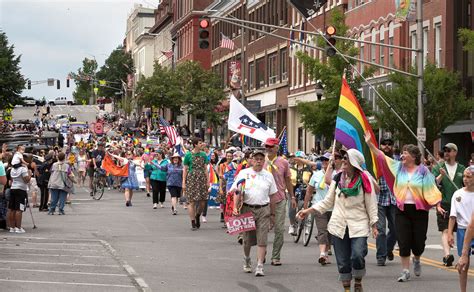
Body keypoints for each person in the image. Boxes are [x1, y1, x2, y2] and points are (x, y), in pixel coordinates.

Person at [297, 149, 378, 292]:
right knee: (343, 261)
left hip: (358, 223)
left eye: (347, 158)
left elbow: (371, 204)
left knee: (358, 255)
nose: (344, 160)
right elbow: (327, 202)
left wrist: (374, 225)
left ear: (355, 162)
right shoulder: (337, 179)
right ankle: (347, 289)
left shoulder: (364, 180)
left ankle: (358, 281)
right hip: (338, 225)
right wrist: (308, 210)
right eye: (343, 158)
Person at [365, 132, 441, 282]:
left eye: (405, 153)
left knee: (419, 242)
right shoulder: (398, 167)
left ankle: (417, 259)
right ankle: (405, 271)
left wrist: (437, 205)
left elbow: (431, 188)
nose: (402, 155)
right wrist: (370, 144)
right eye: (403, 152)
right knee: (404, 241)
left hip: (419, 211)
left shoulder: (423, 171)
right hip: (401, 210)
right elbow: (381, 156)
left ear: (414, 156)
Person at [230, 149, 277, 277]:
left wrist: (273, 214)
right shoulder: (244, 173)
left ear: (264, 161)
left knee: (262, 239)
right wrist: (235, 207)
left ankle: (260, 265)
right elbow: (237, 191)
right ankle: (246, 258)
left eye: (261, 159)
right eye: (256, 159)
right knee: (247, 239)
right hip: (247, 208)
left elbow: (272, 196)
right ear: (251, 160)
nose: (259, 161)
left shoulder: (268, 175)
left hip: (263, 209)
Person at [432, 143, 465, 266]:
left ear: (455, 152)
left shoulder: (462, 168)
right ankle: (447, 255)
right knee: (445, 230)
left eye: (449, 150)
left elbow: (467, 185)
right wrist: (441, 175)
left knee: (461, 230)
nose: (446, 152)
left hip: (459, 204)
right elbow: (433, 185)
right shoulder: (439, 168)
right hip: (444, 203)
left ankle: (463, 254)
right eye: (444, 150)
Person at [264, 137, 295, 266]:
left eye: (271, 146)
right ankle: (262, 252)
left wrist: (292, 197)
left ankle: (275, 256)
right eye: (267, 146)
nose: (268, 149)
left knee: (279, 229)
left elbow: (288, 180)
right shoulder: (260, 161)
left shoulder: (283, 162)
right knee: (262, 229)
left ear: (277, 147)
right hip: (263, 201)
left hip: (279, 199)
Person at [447, 166, 474, 292]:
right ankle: (463, 290)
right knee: (464, 263)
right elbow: (453, 216)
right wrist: (450, 233)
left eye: (469, 177)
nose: (465, 179)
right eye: (464, 176)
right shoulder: (458, 194)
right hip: (463, 230)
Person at [303, 152, 333, 265]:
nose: (325, 162)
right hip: (319, 206)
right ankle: (322, 254)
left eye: (327, 160)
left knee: (331, 232)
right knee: (322, 230)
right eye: (323, 160)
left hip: (334, 208)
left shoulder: (337, 174)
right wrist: (306, 206)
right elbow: (309, 191)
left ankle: (327, 248)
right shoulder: (316, 175)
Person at [375, 138, 398, 266]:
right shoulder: (376, 160)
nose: (387, 146)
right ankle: (381, 256)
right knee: (381, 229)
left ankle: (388, 248)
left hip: (394, 199)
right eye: (384, 144)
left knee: (395, 229)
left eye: (390, 144)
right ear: (380, 146)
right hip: (380, 199)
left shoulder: (397, 161)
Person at [183, 137, 209, 230]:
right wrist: (184, 182)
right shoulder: (188, 155)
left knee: (203, 201)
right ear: (195, 144)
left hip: (201, 178)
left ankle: (198, 215)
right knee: (191, 201)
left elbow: (206, 168)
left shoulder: (204, 155)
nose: (202, 144)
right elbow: (185, 169)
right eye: (200, 143)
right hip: (191, 178)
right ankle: (193, 222)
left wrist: (208, 181)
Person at [8, 153, 31, 233]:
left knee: (12, 209)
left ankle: (12, 227)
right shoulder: (23, 169)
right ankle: (18, 227)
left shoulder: (12, 169)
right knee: (19, 209)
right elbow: (26, 180)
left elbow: (11, 180)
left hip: (13, 188)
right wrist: (29, 174)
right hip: (21, 189)